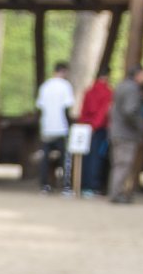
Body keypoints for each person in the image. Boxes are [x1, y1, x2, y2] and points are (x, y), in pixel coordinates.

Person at [107, 64, 143, 203]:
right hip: (126, 133)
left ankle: (117, 191)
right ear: (138, 74)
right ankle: (117, 193)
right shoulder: (132, 89)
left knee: (119, 163)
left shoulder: (120, 86)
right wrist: (139, 125)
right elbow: (129, 111)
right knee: (124, 164)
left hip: (116, 130)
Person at [36, 61, 76, 194]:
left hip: (46, 127)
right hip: (61, 128)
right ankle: (65, 186)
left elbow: (40, 107)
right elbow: (66, 108)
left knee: (45, 157)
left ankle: (44, 185)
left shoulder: (45, 86)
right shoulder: (65, 86)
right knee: (65, 158)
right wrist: (69, 125)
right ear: (64, 71)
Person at [77, 71, 113, 197]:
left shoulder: (89, 91)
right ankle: (93, 186)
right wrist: (96, 126)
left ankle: (83, 184)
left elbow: (83, 110)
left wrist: (83, 124)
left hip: (86, 127)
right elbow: (103, 113)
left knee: (86, 156)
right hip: (99, 129)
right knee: (97, 158)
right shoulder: (108, 92)